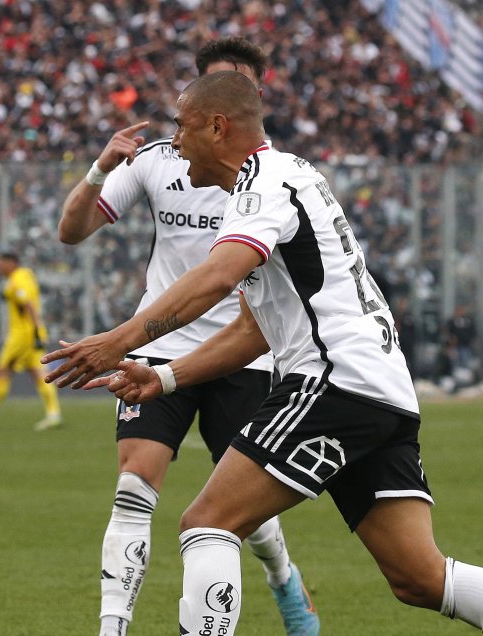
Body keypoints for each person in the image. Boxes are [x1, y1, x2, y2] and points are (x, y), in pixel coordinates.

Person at [45, 71, 483, 633]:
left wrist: (117, 341)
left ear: (217, 127)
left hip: (333, 380)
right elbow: (253, 331)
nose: (175, 142)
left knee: (208, 523)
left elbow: (218, 277)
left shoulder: (262, 183)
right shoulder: (287, 177)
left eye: (181, 126)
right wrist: (166, 378)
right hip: (381, 390)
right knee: (420, 578)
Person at [58, 37, 318, 636]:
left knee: (244, 509)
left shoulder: (277, 177)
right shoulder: (157, 159)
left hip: (243, 349)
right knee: (133, 486)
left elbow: (228, 275)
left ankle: (283, 578)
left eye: (243, 84)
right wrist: (100, 168)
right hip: (157, 346)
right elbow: (71, 231)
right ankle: (112, 628)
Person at [0, 251, 62, 431]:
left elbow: (28, 304)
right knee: (38, 373)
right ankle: (54, 414)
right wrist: (38, 332)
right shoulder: (26, 275)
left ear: (11, 263)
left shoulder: (17, 280)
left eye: (1, 264)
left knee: (3, 371)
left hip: (22, 336)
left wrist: (36, 331)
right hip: (32, 334)